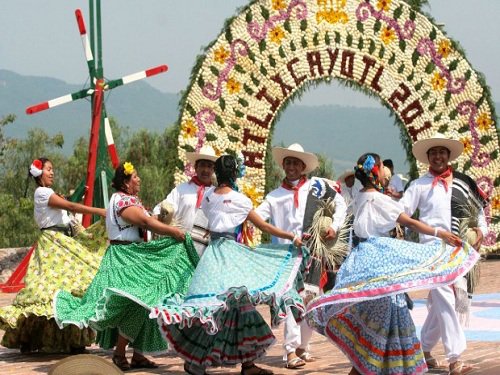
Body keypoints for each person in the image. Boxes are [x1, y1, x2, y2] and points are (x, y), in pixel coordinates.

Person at [306, 152, 479, 375]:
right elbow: (410, 222)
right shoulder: (380, 200)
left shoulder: (359, 196)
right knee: (388, 314)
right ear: (376, 172)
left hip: (359, 261)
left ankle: (364, 365)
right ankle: (378, 365)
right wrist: (441, 233)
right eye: (382, 169)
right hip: (381, 261)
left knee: (370, 314)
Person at [151, 154, 308, 375]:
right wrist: (291, 237)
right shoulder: (241, 200)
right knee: (238, 306)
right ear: (235, 173)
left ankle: (204, 361)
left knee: (212, 308)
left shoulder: (208, 197)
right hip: (232, 255)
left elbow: (204, 219)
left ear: (217, 173)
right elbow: (264, 227)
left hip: (212, 255)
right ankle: (240, 364)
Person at [54, 161, 198, 371]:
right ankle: (120, 353)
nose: (139, 180)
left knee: (147, 299)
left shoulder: (125, 201)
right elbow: (145, 223)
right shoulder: (122, 202)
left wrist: (162, 217)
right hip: (125, 257)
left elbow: (147, 219)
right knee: (137, 301)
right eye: (135, 177)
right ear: (126, 181)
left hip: (132, 255)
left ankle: (137, 355)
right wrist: (174, 232)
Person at [401, 133, 489, 375]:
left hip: (460, 252)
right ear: (427, 158)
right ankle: (455, 358)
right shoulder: (418, 185)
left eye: (441, 152)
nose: (437, 156)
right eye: (433, 153)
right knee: (445, 298)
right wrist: (434, 232)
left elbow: (481, 213)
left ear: (448, 155)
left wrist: (480, 231)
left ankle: (423, 349)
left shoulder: (464, 182)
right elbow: (401, 215)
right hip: (432, 251)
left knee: (440, 304)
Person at [0, 157, 107, 353]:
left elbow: (69, 217)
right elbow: (73, 207)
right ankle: (32, 338)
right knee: (48, 292)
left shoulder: (50, 194)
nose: (52, 172)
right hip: (52, 246)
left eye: (52, 169)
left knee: (65, 289)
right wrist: (101, 211)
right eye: (49, 169)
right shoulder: (42, 193)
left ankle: (68, 339)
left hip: (62, 245)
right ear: (39, 173)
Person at [255, 143, 347, 369]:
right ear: (283, 165)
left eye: (296, 162)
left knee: (310, 302)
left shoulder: (316, 187)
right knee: (291, 302)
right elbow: (256, 216)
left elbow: (340, 203)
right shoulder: (274, 196)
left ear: (304, 166)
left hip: (313, 252)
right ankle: (289, 351)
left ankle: (302, 347)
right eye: (288, 162)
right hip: (287, 256)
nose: (292, 166)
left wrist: (334, 226)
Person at [153, 145, 217, 255]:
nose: (205, 170)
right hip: (179, 246)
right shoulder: (182, 189)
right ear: (196, 167)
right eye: (202, 165)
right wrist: (155, 221)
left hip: (204, 250)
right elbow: (162, 210)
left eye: (209, 166)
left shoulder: (216, 194)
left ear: (213, 170)